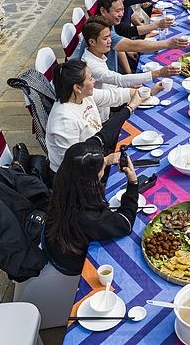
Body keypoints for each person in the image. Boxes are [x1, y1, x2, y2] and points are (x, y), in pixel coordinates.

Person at [43, 138, 140, 276]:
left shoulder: (65, 182)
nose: (104, 169)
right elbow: (125, 224)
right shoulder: (88, 217)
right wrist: (133, 183)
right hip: (70, 264)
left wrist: (105, 160)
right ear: (91, 180)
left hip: (54, 241)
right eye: (102, 168)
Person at [45, 60, 145, 173]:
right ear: (77, 87)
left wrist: (141, 93)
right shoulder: (64, 120)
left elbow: (112, 96)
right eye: (90, 78)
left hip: (98, 151)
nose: (94, 81)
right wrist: (106, 161)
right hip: (79, 175)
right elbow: (73, 162)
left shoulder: (82, 96)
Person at [70, 0, 188, 70]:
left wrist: (129, 73)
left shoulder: (107, 23)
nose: (121, 14)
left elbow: (120, 48)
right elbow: (134, 45)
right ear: (103, 11)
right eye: (117, 11)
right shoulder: (100, 30)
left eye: (122, 9)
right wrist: (168, 44)